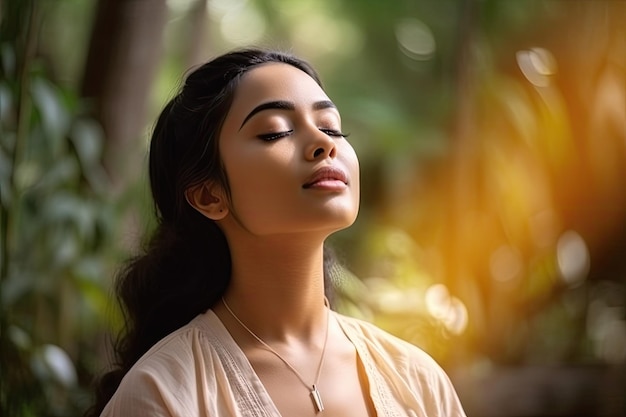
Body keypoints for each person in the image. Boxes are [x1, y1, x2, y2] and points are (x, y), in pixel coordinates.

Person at [86, 47, 467, 417]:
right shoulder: (164, 393)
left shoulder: (418, 381)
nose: (323, 144)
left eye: (332, 127)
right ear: (208, 195)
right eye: (274, 132)